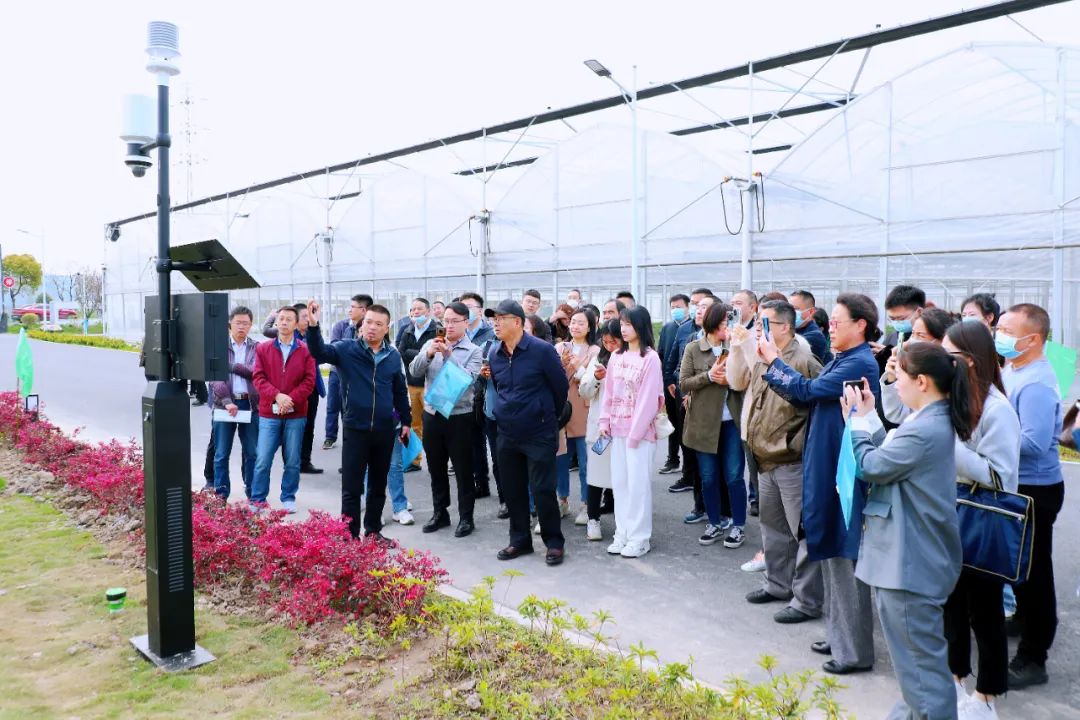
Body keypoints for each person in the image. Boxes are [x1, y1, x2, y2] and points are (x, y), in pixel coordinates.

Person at [841, 342, 974, 720]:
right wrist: (869, 418)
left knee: (923, 678)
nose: (894, 384)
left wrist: (855, 422)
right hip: (912, 558)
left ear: (922, 381)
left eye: (898, 375)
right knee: (916, 672)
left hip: (909, 562)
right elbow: (893, 457)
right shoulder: (928, 420)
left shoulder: (926, 427)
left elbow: (873, 466)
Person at [757, 293, 881, 676]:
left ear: (861, 325)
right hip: (830, 467)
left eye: (838, 322)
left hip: (842, 473)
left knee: (843, 554)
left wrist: (773, 362)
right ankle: (840, 632)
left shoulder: (857, 363)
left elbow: (807, 392)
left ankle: (853, 650)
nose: (832, 327)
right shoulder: (844, 358)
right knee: (829, 550)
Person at [941, 321, 1020, 719]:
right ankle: (955, 680)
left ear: (969, 360)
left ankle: (987, 696)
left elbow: (999, 476)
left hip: (983, 520)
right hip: (952, 515)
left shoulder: (997, 409)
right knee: (951, 605)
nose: (942, 361)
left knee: (985, 613)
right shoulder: (956, 396)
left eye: (948, 355)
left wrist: (950, 446)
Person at [729, 299, 824, 624]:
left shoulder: (804, 360)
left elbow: (816, 406)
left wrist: (795, 443)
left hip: (791, 459)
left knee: (802, 533)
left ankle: (806, 600)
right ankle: (777, 584)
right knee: (772, 528)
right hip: (764, 457)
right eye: (758, 322)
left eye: (764, 323)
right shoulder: (763, 356)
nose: (758, 328)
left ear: (785, 327)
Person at [996, 303, 1065, 689]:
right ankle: (1023, 619)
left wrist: (988, 437)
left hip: (1034, 488)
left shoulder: (1036, 382)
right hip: (1019, 483)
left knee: (1035, 571)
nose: (999, 335)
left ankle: (1034, 657)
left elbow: (1035, 444)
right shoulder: (1015, 368)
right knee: (1020, 566)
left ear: (1033, 339)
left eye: (1007, 330)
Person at [307, 301, 412, 541]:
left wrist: (406, 420)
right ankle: (349, 536)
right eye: (368, 322)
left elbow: (399, 390)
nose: (372, 327)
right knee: (352, 487)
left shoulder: (392, 356)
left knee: (377, 486)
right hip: (356, 429)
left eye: (378, 324)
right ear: (362, 324)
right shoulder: (346, 349)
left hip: (385, 430)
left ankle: (373, 532)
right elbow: (319, 352)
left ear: (387, 328)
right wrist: (313, 326)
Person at [485, 300, 569, 566]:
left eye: (501, 318)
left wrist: (545, 416)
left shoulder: (541, 351)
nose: (496, 323)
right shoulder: (495, 353)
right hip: (507, 433)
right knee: (513, 489)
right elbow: (499, 387)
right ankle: (520, 540)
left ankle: (553, 542)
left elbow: (560, 388)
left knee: (543, 489)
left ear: (518, 322)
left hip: (539, 432)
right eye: (494, 319)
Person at [409, 301, 483, 538]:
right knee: (436, 467)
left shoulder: (473, 350)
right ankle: (440, 513)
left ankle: (466, 517)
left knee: (463, 470)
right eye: (446, 321)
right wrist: (429, 354)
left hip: (459, 416)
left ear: (466, 322)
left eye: (454, 321)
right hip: (432, 414)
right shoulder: (431, 343)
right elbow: (414, 371)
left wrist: (449, 356)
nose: (449, 326)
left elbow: (469, 380)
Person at [678, 302, 746, 549]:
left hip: (732, 423)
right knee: (708, 477)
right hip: (704, 423)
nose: (727, 327)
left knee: (734, 476)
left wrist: (732, 379)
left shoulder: (737, 348)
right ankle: (714, 522)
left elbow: (749, 379)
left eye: (729, 322)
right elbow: (684, 382)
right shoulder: (694, 348)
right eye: (724, 323)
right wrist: (708, 377)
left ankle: (738, 525)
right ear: (712, 324)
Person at [598, 305, 664, 559]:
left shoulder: (650, 358)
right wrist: (604, 421)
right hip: (616, 431)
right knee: (620, 485)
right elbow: (609, 393)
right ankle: (622, 534)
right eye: (622, 324)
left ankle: (639, 538)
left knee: (638, 487)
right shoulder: (617, 356)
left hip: (640, 435)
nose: (623, 329)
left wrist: (635, 435)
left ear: (641, 326)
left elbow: (649, 400)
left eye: (628, 324)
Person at [251, 306, 317, 513]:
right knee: (263, 459)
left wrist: (290, 400)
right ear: (276, 322)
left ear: (296, 324)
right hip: (268, 413)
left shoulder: (306, 350)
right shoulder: (263, 349)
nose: (284, 322)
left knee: (293, 460)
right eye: (281, 318)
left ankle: (288, 497)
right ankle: (258, 499)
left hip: (295, 414)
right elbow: (258, 378)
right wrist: (277, 396)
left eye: (289, 319)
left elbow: (309, 381)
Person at [262, 303, 327, 474]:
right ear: (296, 321)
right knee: (288, 427)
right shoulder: (286, 334)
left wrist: (315, 323)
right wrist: (273, 315)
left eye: (309, 316)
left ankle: (304, 461)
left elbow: (320, 353)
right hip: (287, 391)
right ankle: (291, 461)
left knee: (308, 426)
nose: (307, 319)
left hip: (309, 388)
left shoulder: (313, 335)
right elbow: (266, 330)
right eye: (304, 316)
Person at [662, 288, 713, 496]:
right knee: (685, 435)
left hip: (708, 395)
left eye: (702, 305)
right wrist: (670, 379)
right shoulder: (685, 330)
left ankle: (705, 485)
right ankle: (688, 475)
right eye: (694, 304)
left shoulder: (722, 335)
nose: (697, 309)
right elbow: (674, 357)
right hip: (684, 391)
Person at [208, 306, 260, 501]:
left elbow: (256, 372)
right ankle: (221, 494)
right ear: (230, 324)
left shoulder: (257, 347)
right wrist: (227, 401)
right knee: (221, 453)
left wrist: (231, 367)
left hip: (250, 404)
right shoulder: (218, 347)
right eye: (238, 322)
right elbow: (215, 377)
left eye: (245, 323)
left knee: (252, 452)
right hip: (224, 406)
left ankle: (253, 493)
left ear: (251, 325)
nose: (241, 327)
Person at [555, 308, 600, 524]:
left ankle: (586, 504)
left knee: (585, 462)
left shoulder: (595, 350)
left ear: (590, 327)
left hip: (584, 410)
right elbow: (552, 376)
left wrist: (576, 367)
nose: (575, 326)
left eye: (581, 323)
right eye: (573, 322)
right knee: (560, 460)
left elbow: (593, 381)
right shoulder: (559, 348)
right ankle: (562, 500)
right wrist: (563, 364)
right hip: (562, 410)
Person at [578, 319, 620, 541]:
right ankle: (593, 520)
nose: (610, 346)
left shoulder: (633, 359)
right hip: (600, 431)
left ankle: (623, 522)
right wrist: (596, 378)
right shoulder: (598, 360)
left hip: (623, 429)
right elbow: (584, 392)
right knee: (595, 476)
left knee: (621, 478)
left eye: (614, 341)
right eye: (606, 342)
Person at [678, 294, 717, 524]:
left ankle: (721, 511)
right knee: (696, 462)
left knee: (718, 469)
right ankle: (699, 506)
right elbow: (682, 372)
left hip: (717, 412)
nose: (699, 311)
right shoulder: (692, 338)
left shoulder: (727, 341)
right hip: (693, 407)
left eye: (704, 307)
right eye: (697, 307)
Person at [880, 307, 958, 425]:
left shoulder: (947, 376)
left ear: (943, 340)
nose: (913, 340)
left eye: (920, 335)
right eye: (913, 334)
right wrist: (892, 378)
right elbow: (897, 414)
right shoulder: (918, 368)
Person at [460, 292, 498, 501]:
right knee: (474, 444)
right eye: (462, 307)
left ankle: (504, 494)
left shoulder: (491, 333)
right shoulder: (459, 333)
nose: (466, 311)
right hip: (467, 396)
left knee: (495, 445)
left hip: (487, 395)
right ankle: (480, 483)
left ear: (480, 310)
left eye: (470, 307)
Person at [396, 297, 440, 472]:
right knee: (414, 424)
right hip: (412, 383)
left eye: (419, 309)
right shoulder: (406, 330)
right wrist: (423, 354)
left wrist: (416, 355)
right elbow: (401, 351)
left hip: (432, 384)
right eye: (413, 309)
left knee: (436, 425)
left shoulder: (437, 330)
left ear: (428, 311)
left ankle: (441, 461)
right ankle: (414, 461)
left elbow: (437, 355)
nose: (415, 312)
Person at [324, 294, 372, 450]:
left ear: (363, 310)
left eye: (352, 307)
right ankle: (330, 436)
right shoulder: (341, 326)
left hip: (357, 375)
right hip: (337, 372)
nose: (349, 310)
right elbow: (334, 347)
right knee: (332, 405)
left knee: (350, 408)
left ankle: (349, 439)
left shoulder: (370, 328)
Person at [658, 293, 692, 476]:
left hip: (685, 384)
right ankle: (672, 459)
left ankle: (688, 465)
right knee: (671, 422)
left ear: (687, 307)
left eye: (679, 307)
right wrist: (667, 381)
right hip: (670, 384)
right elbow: (663, 355)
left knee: (684, 424)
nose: (675, 310)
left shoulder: (691, 328)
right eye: (672, 307)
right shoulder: (668, 328)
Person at [790, 290, 833, 365]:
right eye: (789, 309)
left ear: (811, 312)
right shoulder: (793, 329)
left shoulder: (814, 336)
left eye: (796, 309)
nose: (790, 312)